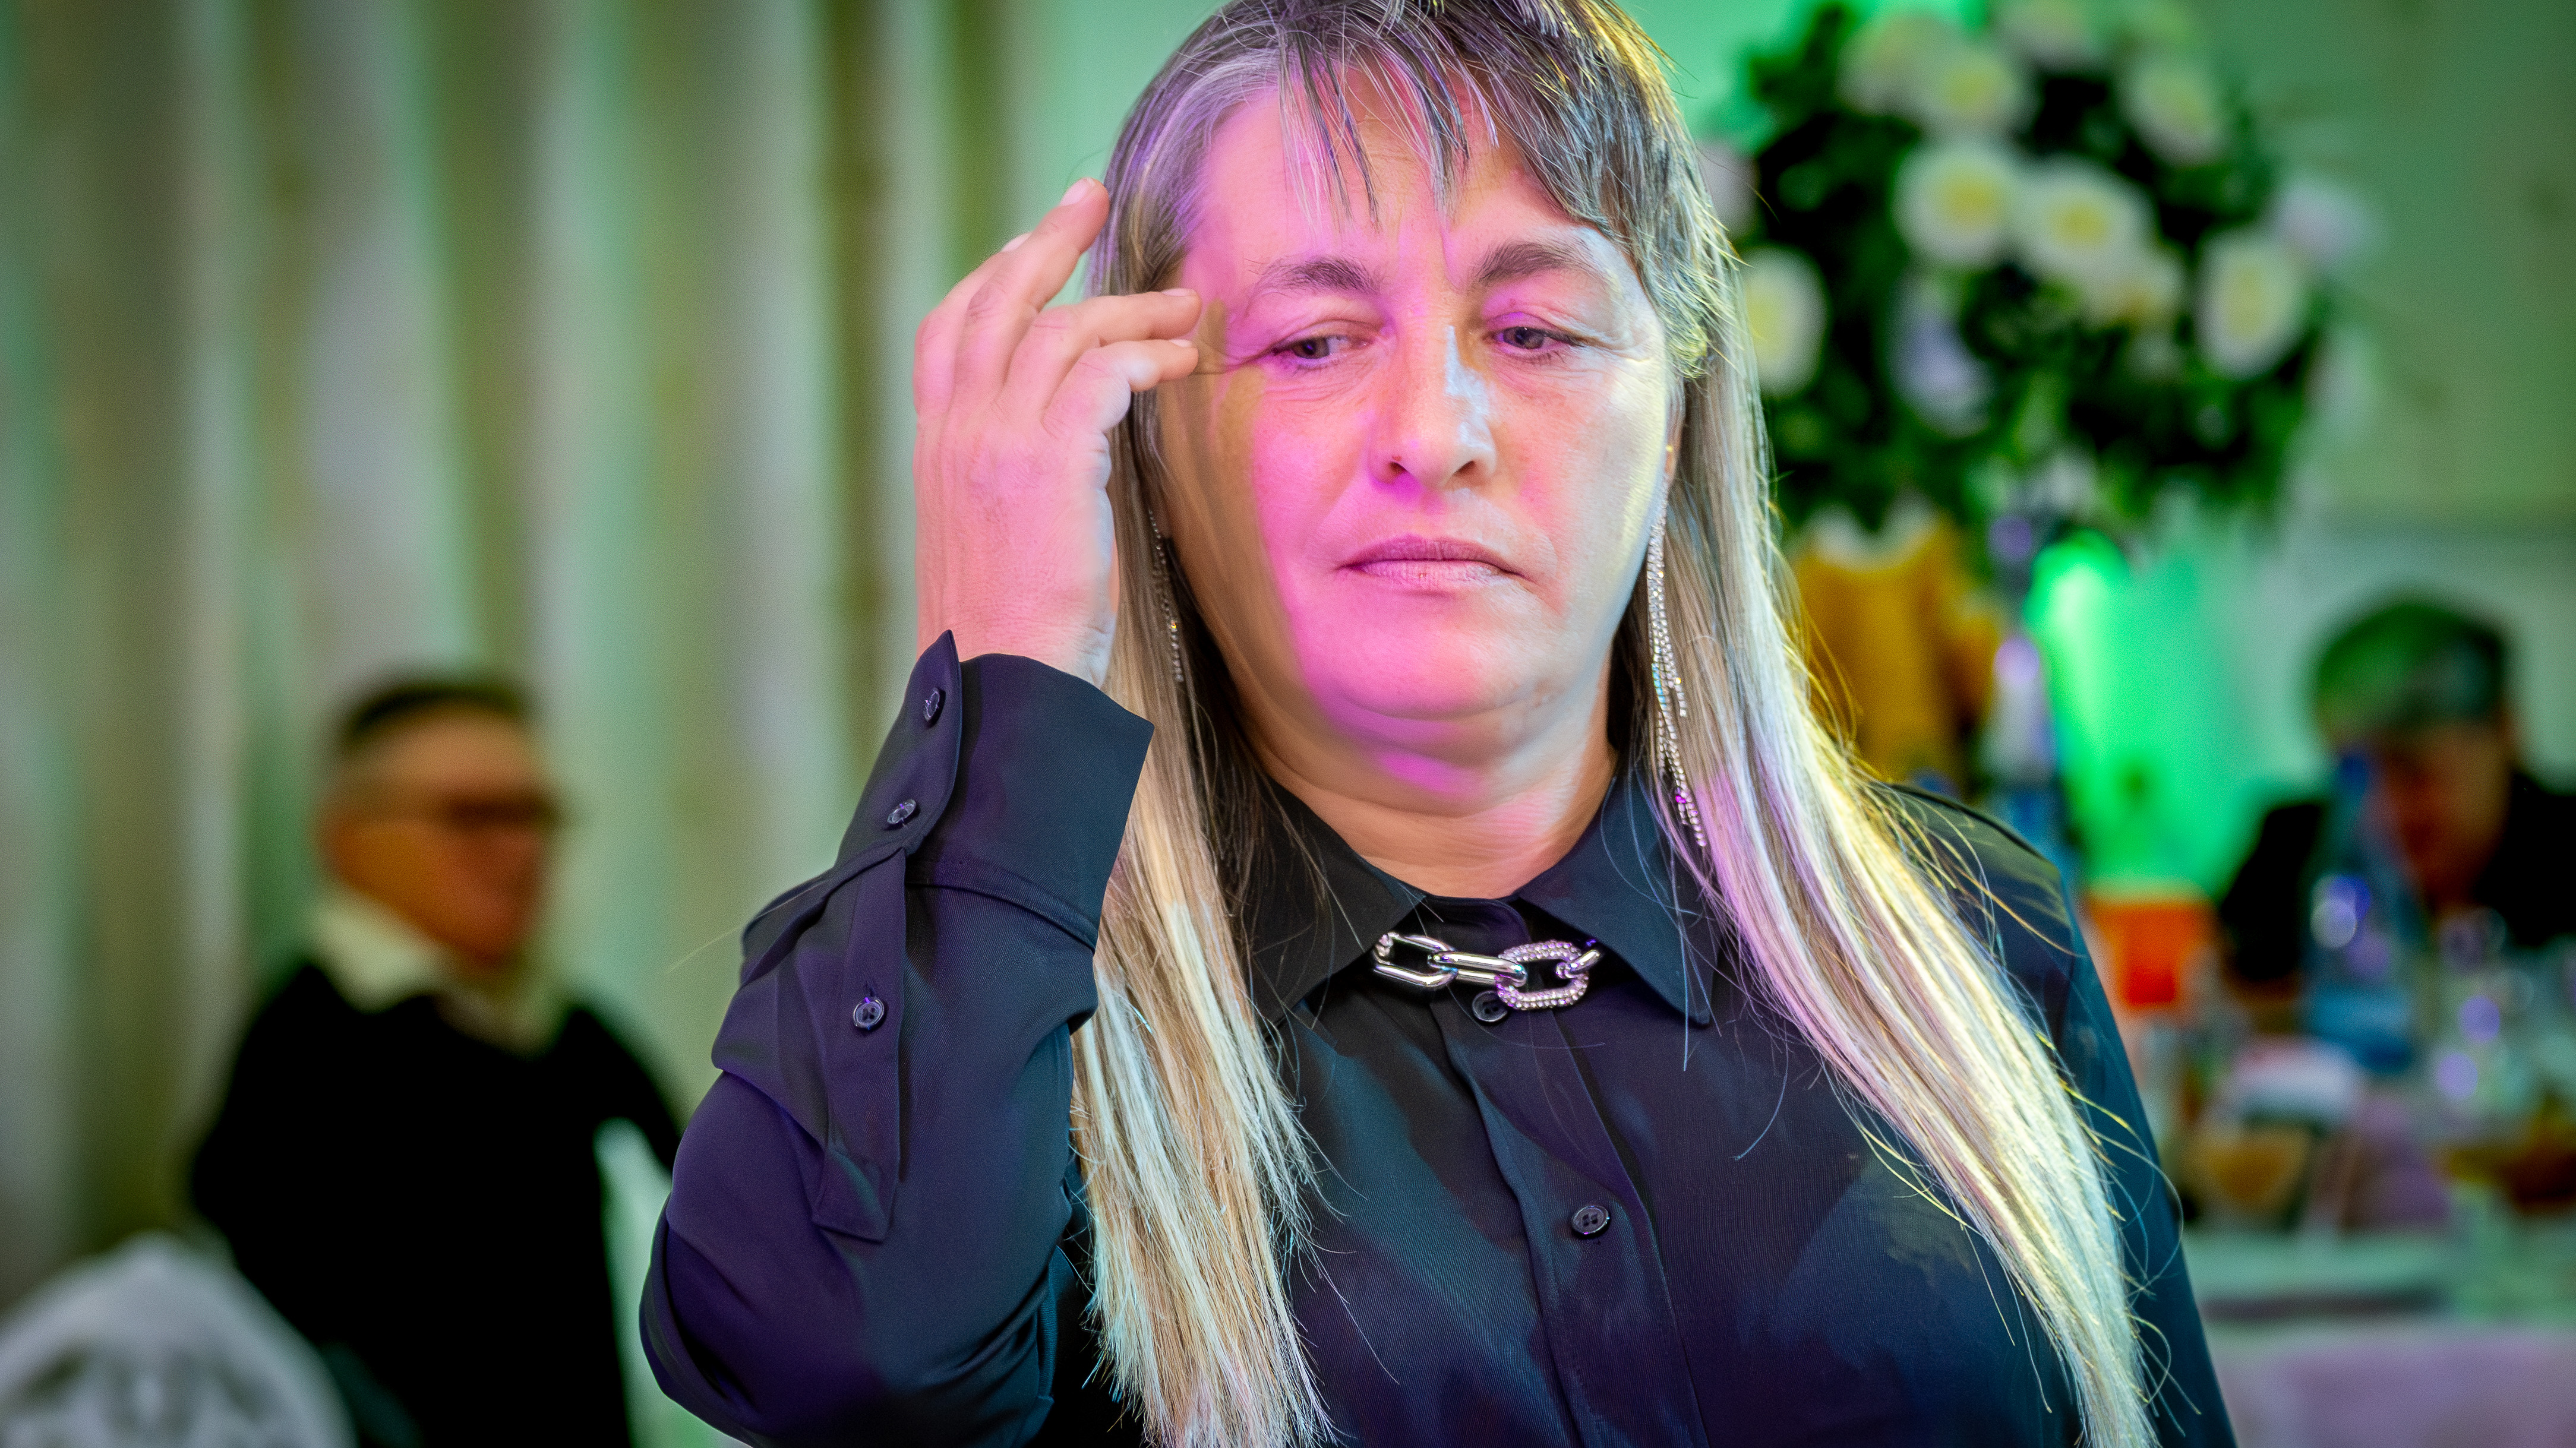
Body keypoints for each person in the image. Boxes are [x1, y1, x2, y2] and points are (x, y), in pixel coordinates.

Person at [644, 3, 2227, 1444]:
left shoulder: (1974, 935)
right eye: (1312, 342)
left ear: (1672, 422)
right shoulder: (1019, 1037)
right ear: (1150, 454)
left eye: (1533, 332)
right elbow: (845, 1365)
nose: (1434, 432)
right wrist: (1006, 666)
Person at [193, 678, 678, 1447]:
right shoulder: (308, 1050)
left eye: (533, 815)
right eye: (470, 815)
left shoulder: (571, 1029)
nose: (518, 850)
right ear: (346, 839)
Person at [2222, 598, 2575, 985]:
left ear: (2503, 731)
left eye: (2413, 770)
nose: (2382, 808)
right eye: (2354, 774)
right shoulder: (2289, 851)